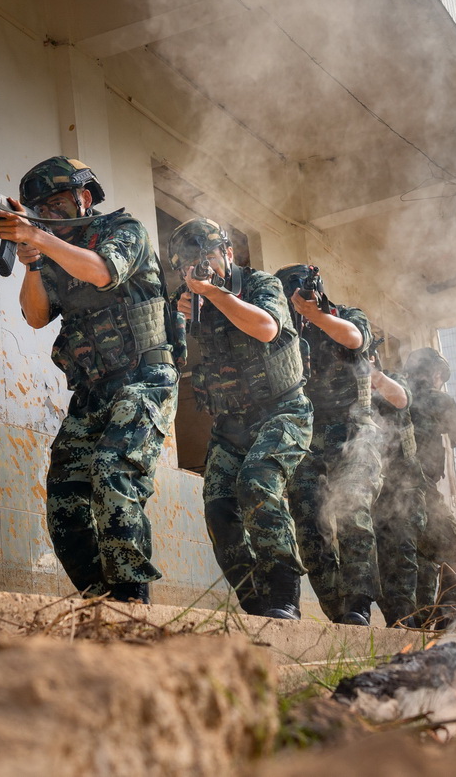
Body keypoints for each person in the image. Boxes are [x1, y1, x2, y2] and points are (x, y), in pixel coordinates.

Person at [0, 156, 178, 604]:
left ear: (84, 197)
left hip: (144, 377)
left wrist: (38, 236)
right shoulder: (53, 250)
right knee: (64, 497)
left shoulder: (124, 229)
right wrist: (33, 262)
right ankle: (102, 601)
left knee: (114, 473)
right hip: (93, 390)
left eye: (57, 203)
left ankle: (133, 599)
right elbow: (37, 317)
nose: (50, 214)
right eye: (42, 207)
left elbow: (101, 271)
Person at [168, 219, 310, 620]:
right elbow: (171, 354)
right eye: (191, 263)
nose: (202, 267)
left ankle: (284, 595)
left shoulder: (260, 284)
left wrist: (213, 293)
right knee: (218, 509)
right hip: (230, 425)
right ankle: (257, 604)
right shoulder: (188, 298)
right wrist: (179, 315)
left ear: (227, 254)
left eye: (209, 257)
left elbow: (266, 329)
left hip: (282, 411)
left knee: (257, 483)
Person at [276, 264, 381, 626]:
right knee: (307, 523)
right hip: (306, 438)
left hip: (354, 435)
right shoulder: (284, 327)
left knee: (352, 509)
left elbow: (354, 338)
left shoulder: (344, 316)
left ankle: (359, 604)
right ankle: (339, 611)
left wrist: (316, 315)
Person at [404, 347, 456, 629]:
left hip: (385, 492)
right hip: (421, 488)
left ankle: (417, 623)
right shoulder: (436, 398)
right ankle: (447, 623)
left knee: (421, 556)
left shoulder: (392, 392)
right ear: (435, 374)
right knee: (455, 555)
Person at [368, 349, 427, 628]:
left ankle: (407, 618)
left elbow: (401, 398)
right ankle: (396, 618)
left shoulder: (390, 379)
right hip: (369, 484)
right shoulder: (342, 389)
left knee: (403, 549)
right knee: (378, 555)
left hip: (402, 484)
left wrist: (373, 376)